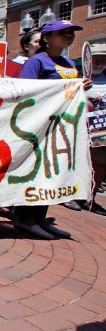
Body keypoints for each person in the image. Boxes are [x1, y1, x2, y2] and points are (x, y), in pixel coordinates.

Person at [15, 19, 93, 239]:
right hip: (40, 127)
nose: (69, 36)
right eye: (62, 33)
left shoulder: (69, 63)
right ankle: (24, 218)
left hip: (63, 128)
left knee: (52, 171)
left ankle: (40, 217)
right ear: (47, 39)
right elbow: (25, 91)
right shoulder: (36, 62)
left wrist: (81, 87)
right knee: (36, 171)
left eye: (71, 33)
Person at [73, 43, 106, 216]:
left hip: (102, 127)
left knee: (100, 162)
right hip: (81, 124)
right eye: (96, 59)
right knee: (78, 158)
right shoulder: (77, 76)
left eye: (104, 59)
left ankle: (89, 198)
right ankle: (71, 194)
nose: (100, 63)